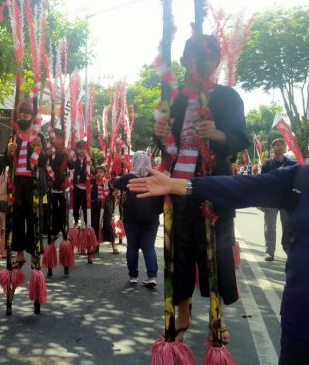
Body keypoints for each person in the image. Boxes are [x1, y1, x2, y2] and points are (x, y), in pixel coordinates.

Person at [128, 164, 309, 365]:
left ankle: (217, 318)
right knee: (182, 260)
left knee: (216, 264)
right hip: (299, 320)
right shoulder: (301, 177)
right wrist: (179, 185)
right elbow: (244, 187)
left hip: (213, 217)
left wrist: (217, 138)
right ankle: (184, 314)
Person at [153, 34, 251, 342]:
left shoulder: (227, 98)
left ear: (216, 62)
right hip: (177, 186)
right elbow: (167, 146)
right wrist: (160, 133)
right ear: (183, 61)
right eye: (193, 56)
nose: (200, 63)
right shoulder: (172, 98)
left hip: (212, 187)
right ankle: (183, 308)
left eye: (208, 57)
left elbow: (239, 138)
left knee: (215, 251)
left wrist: (219, 135)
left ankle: (216, 311)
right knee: (178, 251)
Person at [5, 101, 46, 268]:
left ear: (32, 118)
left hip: (33, 185)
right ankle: (20, 254)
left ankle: (35, 254)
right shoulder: (13, 138)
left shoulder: (38, 137)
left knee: (34, 219)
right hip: (16, 185)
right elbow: (7, 161)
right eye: (20, 116)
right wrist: (9, 151)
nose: (22, 119)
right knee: (16, 219)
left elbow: (42, 162)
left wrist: (40, 149)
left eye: (26, 116)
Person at [113, 152, 162, 286]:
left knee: (132, 247)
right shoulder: (155, 177)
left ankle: (133, 275)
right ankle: (152, 276)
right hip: (151, 217)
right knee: (148, 247)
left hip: (131, 217)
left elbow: (116, 183)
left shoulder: (129, 178)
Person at [261, 138, 296, 261]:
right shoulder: (267, 164)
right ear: (273, 148)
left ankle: (288, 250)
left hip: (286, 201)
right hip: (271, 200)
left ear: (285, 148)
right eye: (277, 145)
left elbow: (296, 182)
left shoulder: (292, 164)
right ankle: (269, 252)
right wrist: (261, 201)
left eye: (282, 144)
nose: (280, 147)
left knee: (288, 226)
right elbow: (262, 183)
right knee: (269, 227)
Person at [48, 129, 73, 241]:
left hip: (64, 187)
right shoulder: (50, 152)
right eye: (55, 138)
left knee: (64, 211)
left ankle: (64, 232)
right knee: (53, 211)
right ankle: (54, 231)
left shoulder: (65, 151)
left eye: (59, 137)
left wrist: (68, 155)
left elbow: (72, 166)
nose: (57, 140)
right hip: (52, 186)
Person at [72, 141, 91, 227]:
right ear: (77, 150)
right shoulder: (74, 159)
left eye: (84, 148)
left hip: (86, 188)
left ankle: (87, 226)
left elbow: (94, 172)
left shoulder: (89, 159)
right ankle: (76, 222)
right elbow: (70, 168)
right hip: (76, 187)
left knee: (85, 207)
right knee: (76, 206)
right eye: (80, 149)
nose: (82, 150)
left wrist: (91, 166)